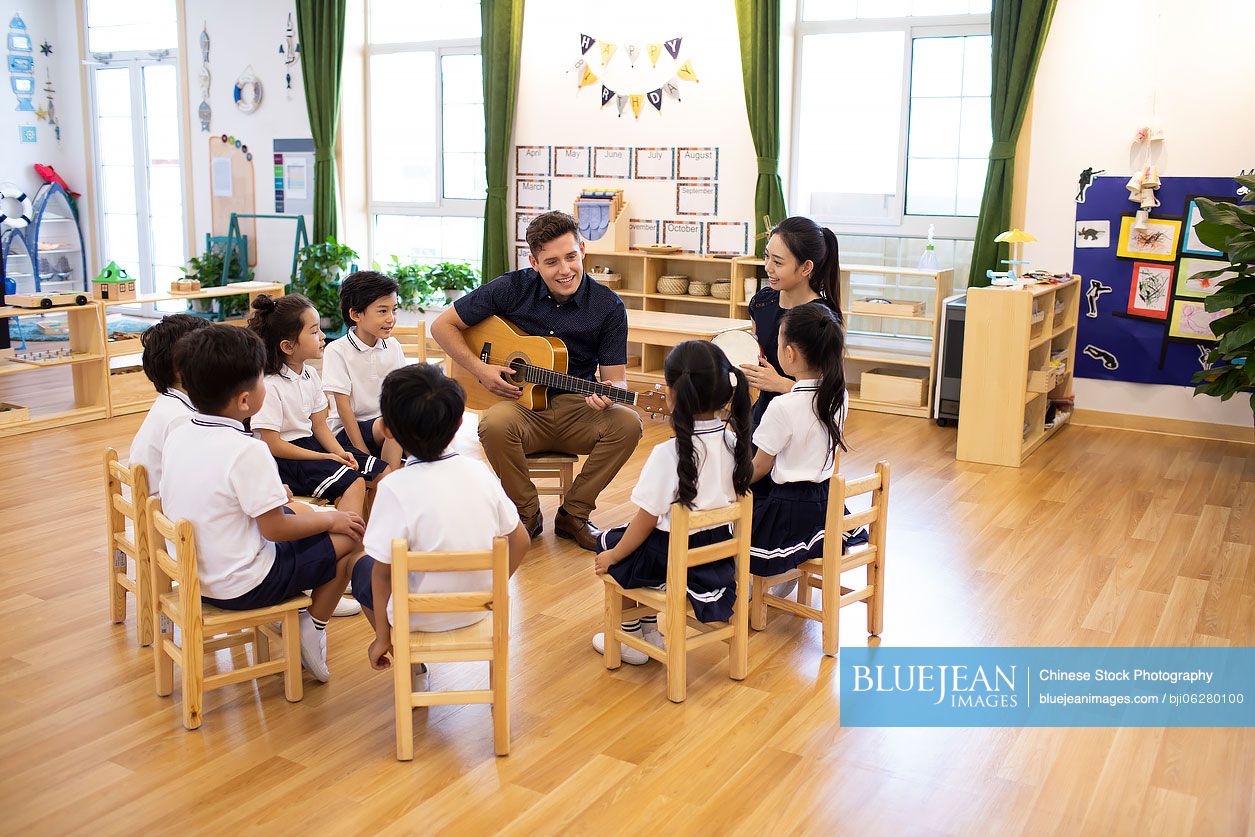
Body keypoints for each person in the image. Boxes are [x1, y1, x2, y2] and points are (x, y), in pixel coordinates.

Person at [159, 325, 365, 682]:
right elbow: (276, 529)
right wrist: (331, 520)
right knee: (352, 534)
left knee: (304, 511)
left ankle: (303, 618)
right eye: (260, 380)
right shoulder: (247, 449)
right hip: (244, 584)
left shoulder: (180, 432)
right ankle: (312, 627)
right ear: (244, 400)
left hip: (198, 575)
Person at [431, 210, 643, 551]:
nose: (565, 270)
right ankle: (526, 514)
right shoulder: (511, 288)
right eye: (552, 261)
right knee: (493, 425)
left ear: (583, 249)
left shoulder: (608, 306)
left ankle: (574, 513)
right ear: (534, 261)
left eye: (571, 257)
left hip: (578, 407)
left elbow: (615, 380)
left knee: (629, 424)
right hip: (521, 406)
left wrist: (612, 394)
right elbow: (442, 326)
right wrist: (480, 369)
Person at [350, 364, 530, 685]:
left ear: (388, 430)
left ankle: (412, 668)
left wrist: (382, 637)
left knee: (360, 565)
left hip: (416, 617)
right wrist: (493, 589)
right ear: (460, 422)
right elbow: (521, 541)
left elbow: (381, 573)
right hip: (478, 607)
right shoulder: (481, 474)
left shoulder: (394, 487)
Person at [592, 341, 753, 665]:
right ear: (724, 391)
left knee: (612, 542)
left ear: (670, 394)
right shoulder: (734, 441)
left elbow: (646, 519)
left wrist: (612, 555)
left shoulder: (668, 454)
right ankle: (647, 630)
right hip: (716, 557)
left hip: (674, 558)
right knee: (634, 543)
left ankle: (632, 635)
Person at [748, 304, 868, 581]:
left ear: (788, 354)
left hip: (788, 513)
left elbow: (759, 469)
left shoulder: (782, 407)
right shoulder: (840, 397)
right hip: (825, 510)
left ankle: (770, 578)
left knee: (730, 524)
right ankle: (790, 569)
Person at [248, 293, 389, 509]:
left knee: (382, 473)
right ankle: (350, 542)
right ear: (287, 346)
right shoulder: (270, 385)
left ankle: (377, 537)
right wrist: (324, 456)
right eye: (314, 331)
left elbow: (320, 425)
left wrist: (339, 453)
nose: (323, 336)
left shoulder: (310, 375)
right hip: (286, 460)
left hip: (313, 445)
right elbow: (271, 443)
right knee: (354, 482)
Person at [740, 216, 843, 428]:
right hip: (764, 416)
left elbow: (830, 395)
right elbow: (757, 355)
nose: (768, 267)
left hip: (805, 422)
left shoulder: (822, 318)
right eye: (766, 256)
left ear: (806, 268)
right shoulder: (761, 303)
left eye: (778, 262)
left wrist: (780, 383)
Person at [322, 271, 409, 470]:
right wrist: (363, 453)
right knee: (392, 425)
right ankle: (389, 484)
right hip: (348, 433)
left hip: (387, 429)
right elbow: (343, 409)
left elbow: (403, 395)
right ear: (355, 315)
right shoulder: (337, 350)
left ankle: (418, 474)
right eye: (382, 311)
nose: (391, 318)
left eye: (394, 310)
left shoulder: (393, 346)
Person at [128, 313, 211, 493]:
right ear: (181, 369)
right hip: (168, 509)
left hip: (155, 499)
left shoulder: (170, 402)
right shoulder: (183, 420)